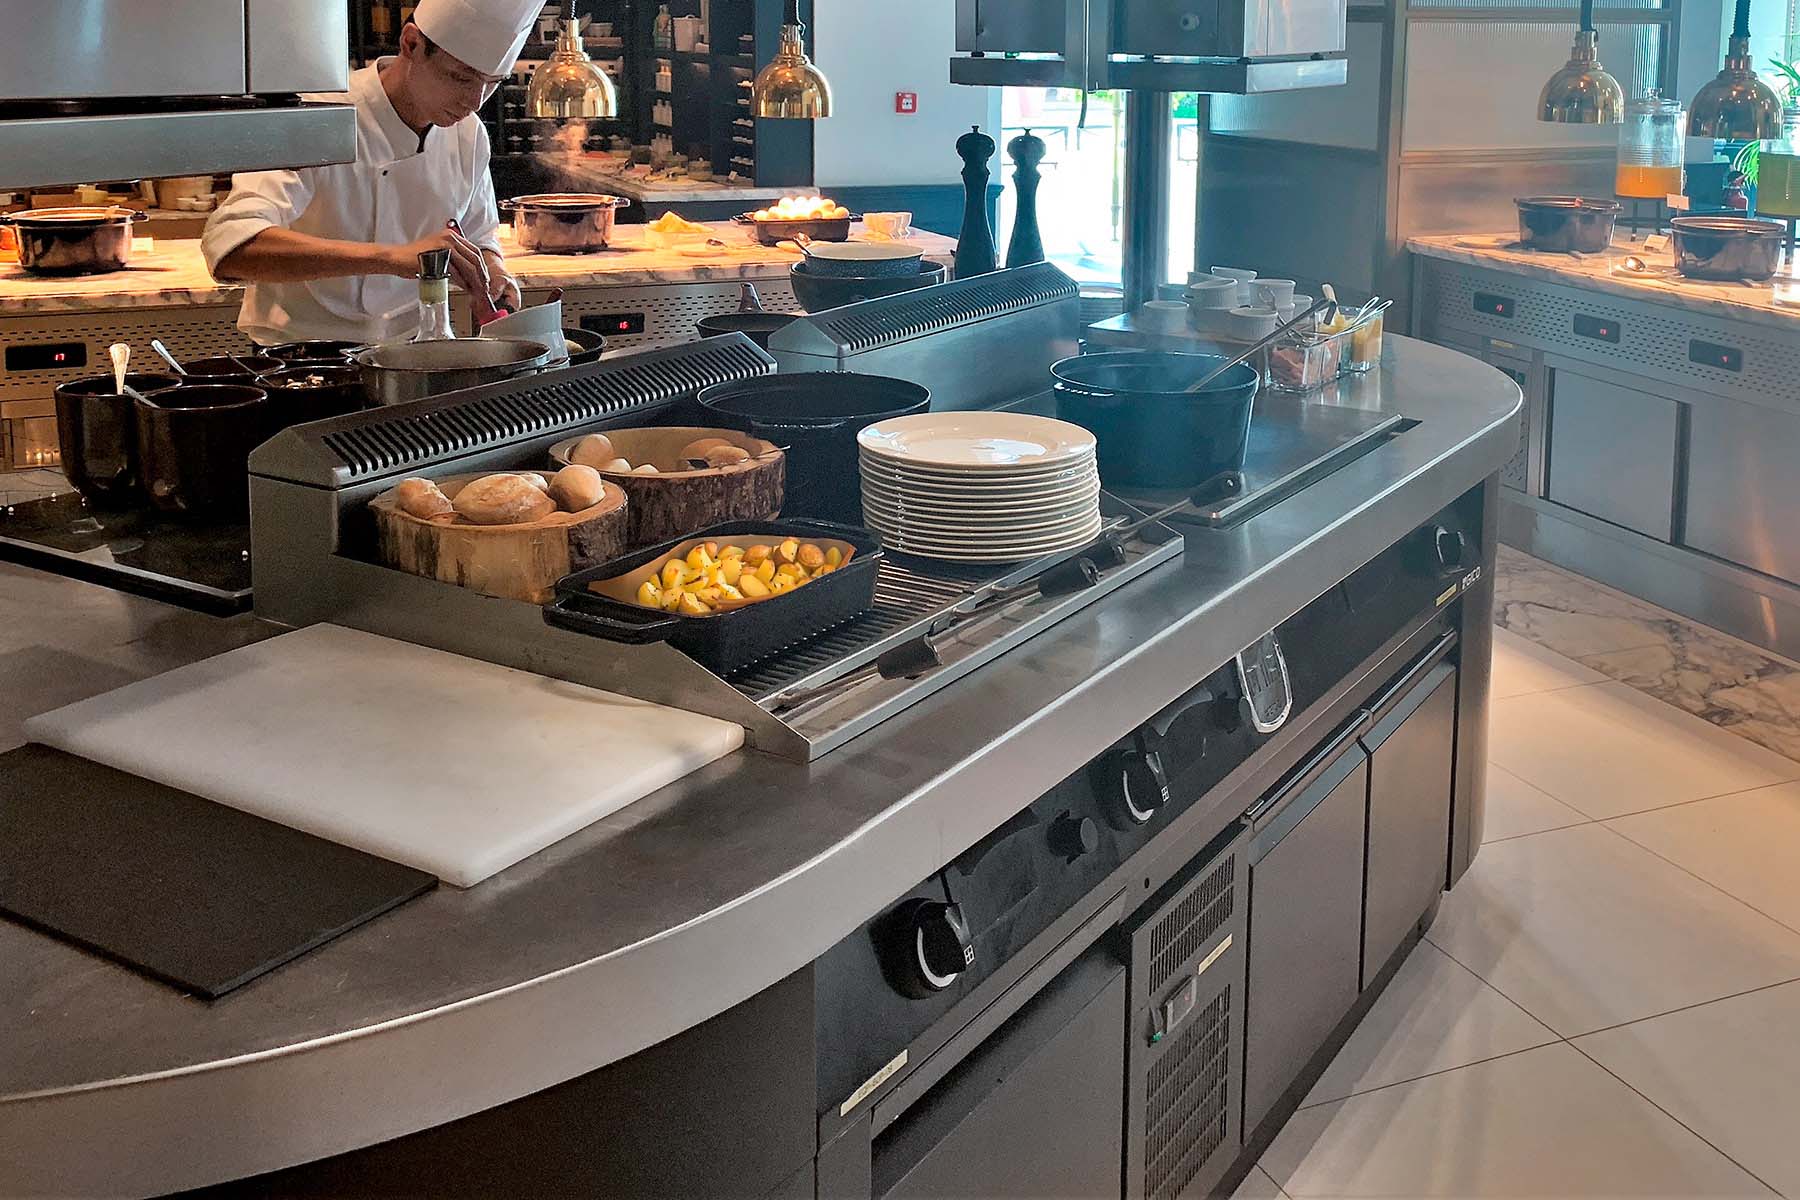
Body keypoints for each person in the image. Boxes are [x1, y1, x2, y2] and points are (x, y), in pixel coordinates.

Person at [202, 0, 545, 346]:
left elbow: (479, 236)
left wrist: (495, 271)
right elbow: (232, 247)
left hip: (413, 353)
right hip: (301, 355)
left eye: (492, 83)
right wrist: (393, 257)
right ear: (411, 43)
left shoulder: (468, 134)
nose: (475, 101)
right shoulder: (317, 116)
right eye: (461, 77)